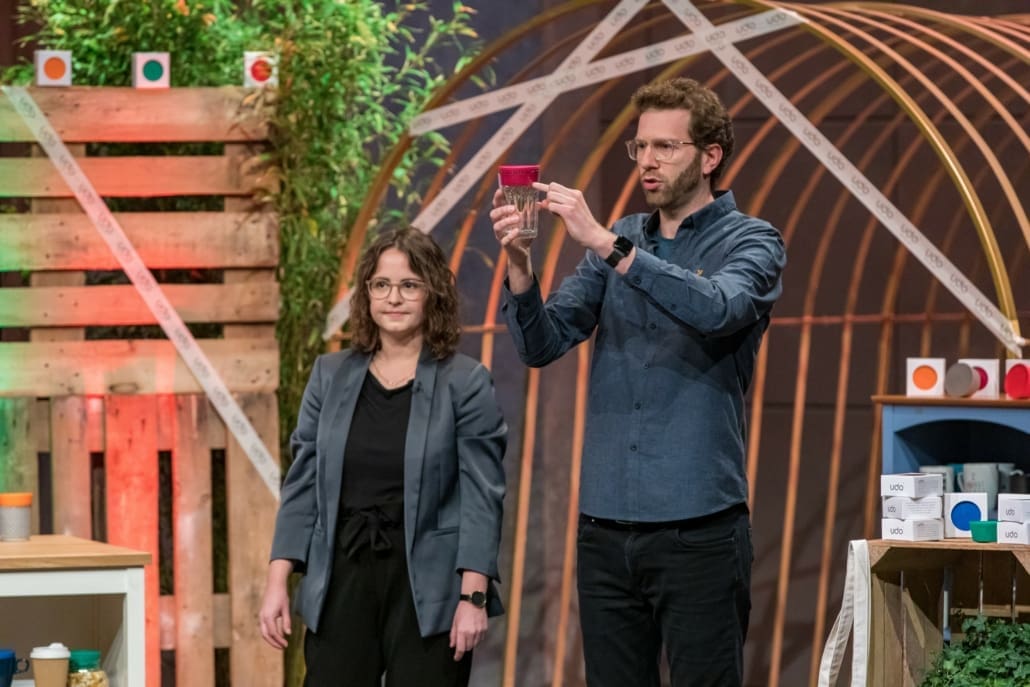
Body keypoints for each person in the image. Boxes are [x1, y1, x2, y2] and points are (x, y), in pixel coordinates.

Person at [490, 77, 786, 687]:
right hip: (604, 529)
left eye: (666, 148)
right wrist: (519, 265)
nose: (647, 161)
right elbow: (542, 344)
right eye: (640, 147)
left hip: (698, 528)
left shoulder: (752, 241)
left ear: (710, 156)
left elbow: (719, 308)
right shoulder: (626, 234)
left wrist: (607, 243)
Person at [259, 227, 508, 687]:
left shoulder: (465, 382)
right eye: (381, 285)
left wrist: (472, 599)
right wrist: (278, 581)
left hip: (429, 588)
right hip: (343, 574)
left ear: (433, 292)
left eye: (409, 285)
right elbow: (301, 486)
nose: (394, 298)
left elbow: (482, 498)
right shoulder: (329, 374)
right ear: (367, 294)